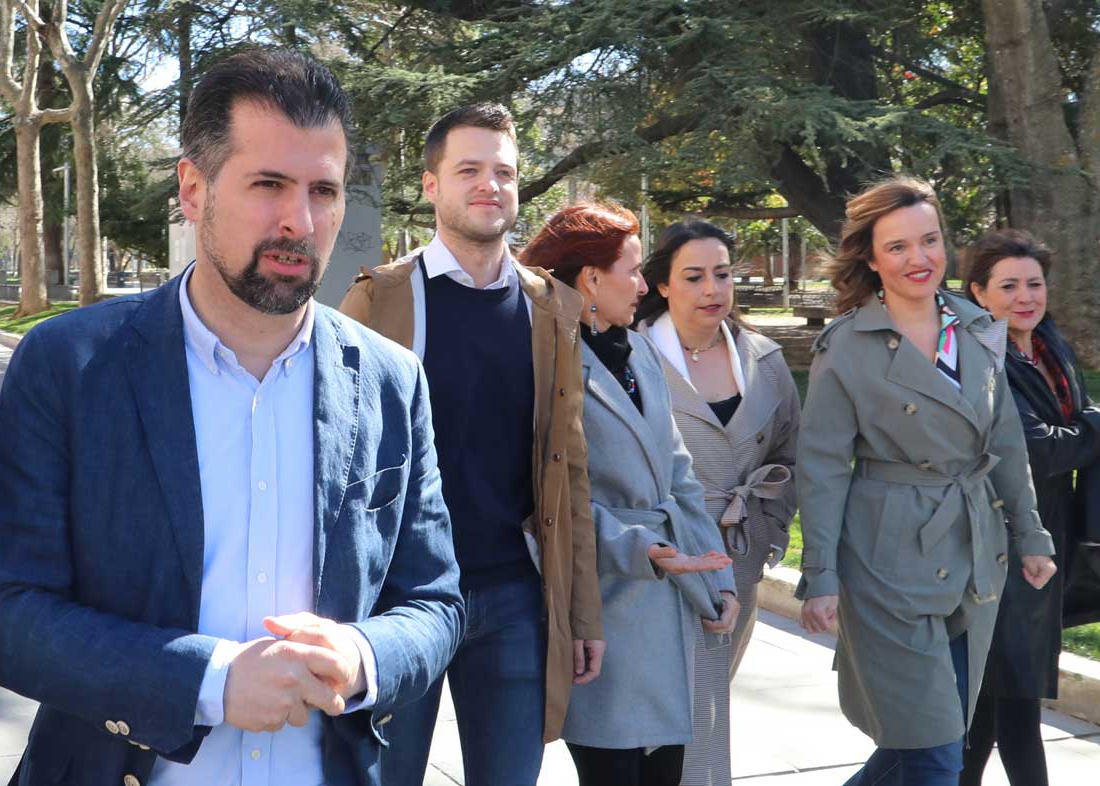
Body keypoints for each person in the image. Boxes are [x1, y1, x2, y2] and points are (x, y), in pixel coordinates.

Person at [0, 49, 464, 786]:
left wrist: (363, 658)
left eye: (323, 191)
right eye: (269, 184)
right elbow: (0, 610)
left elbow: (434, 602)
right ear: (193, 189)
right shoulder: (69, 365)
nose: (299, 221)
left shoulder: (392, 381)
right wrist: (208, 680)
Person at [338, 104, 604, 786]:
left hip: (514, 598)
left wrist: (580, 613)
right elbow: (333, 467)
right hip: (400, 602)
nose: (490, 185)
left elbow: (568, 469)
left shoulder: (551, 310)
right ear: (432, 186)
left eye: (505, 172)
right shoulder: (381, 300)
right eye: (469, 170)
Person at [795, 176, 1058, 786]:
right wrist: (821, 576)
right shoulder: (847, 345)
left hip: (975, 550)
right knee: (936, 751)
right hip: (887, 559)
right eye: (897, 247)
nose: (919, 259)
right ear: (869, 256)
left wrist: (1031, 535)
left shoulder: (977, 327)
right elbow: (824, 468)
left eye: (930, 241)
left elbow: (1005, 441)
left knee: (923, 747)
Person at [520, 202, 738, 786]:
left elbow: (679, 474)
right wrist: (636, 546)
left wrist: (716, 580)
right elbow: (542, 500)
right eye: (634, 270)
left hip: (667, 606)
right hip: (601, 607)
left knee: (667, 771)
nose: (645, 285)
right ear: (590, 278)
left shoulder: (638, 349)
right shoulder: (543, 359)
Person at [960, 229, 1100, 786]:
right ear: (979, 292)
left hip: (1051, 539)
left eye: (1034, 283)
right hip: (1000, 540)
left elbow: (1072, 438)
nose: (1026, 296)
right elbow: (1037, 450)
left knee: (989, 705)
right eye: (1008, 285)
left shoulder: (1049, 346)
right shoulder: (982, 359)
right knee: (1015, 698)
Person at [634, 219, 799, 786]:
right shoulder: (629, 358)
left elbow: (789, 452)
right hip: (660, 561)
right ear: (662, 284)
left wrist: (769, 525)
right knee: (671, 715)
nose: (712, 290)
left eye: (723, 275)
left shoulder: (766, 360)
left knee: (711, 701)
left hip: (737, 553)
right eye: (695, 276)